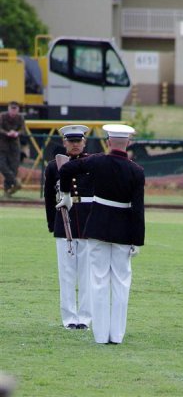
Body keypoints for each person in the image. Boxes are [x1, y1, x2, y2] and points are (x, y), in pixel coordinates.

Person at [57, 124, 145, 344]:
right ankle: (116, 335)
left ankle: (100, 334)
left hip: (97, 226)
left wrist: (66, 195)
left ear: (108, 142)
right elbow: (138, 208)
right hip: (124, 231)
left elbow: (66, 169)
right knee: (121, 282)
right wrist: (138, 239)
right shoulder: (136, 170)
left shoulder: (97, 161)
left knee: (98, 280)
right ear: (129, 143)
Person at [44, 125, 93, 330]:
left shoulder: (93, 163)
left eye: (78, 141)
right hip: (64, 220)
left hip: (89, 219)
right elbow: (48, 197)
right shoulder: (54, 166)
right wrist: (50, 223)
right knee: (66, 272)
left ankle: (85, 318)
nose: (75, 145)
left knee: (87, 273)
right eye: (71, 141)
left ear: (84, 142)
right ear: (64, 143)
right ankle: (69, 318)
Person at [0, 101, 26, 197]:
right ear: (8, 108)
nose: (13, 111)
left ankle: (7, 191)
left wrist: (16, 133)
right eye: (12, 108)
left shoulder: (20, 117)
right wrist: (6, 133)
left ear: (18, 110)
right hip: (2, 145)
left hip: (14, 146)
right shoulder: (2, 116)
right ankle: (15, 182)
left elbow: (23, 130)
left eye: (15, 109)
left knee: (13, 168)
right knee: (2, 165)